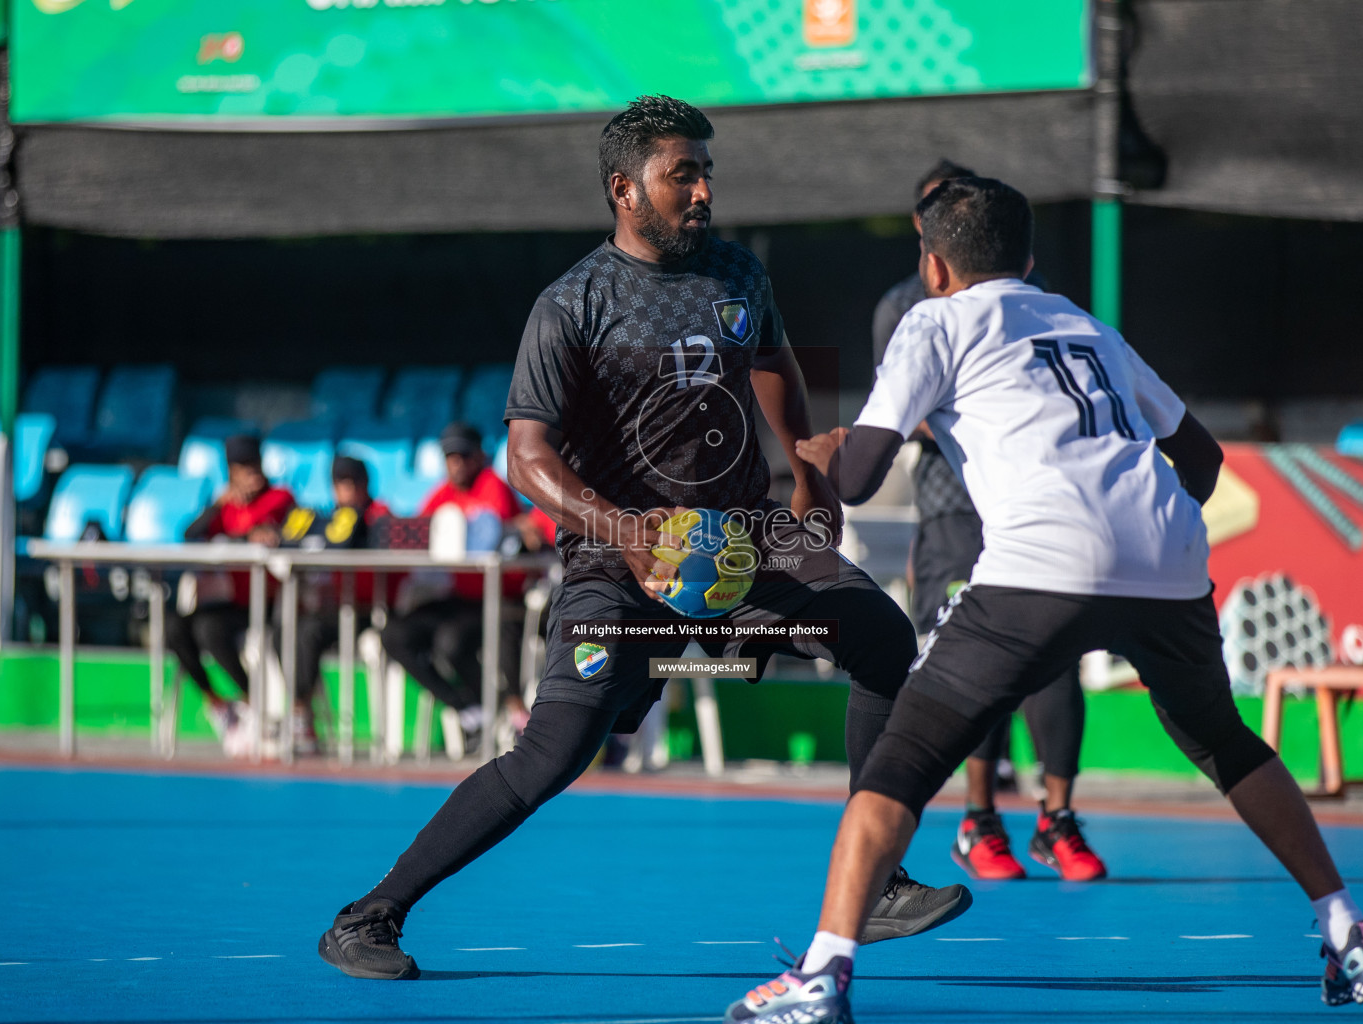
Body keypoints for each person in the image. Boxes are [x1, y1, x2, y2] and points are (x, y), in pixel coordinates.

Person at [728, 177, 1363, 1023]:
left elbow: (862, 479)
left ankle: (822, 977)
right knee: (1224, 742)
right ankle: (1349, 931)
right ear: (1030, 259)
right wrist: (1137, 541)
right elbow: (1200, 462)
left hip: (1043, 559)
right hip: (1166, 552)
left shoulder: (933, 320)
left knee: (900, 758)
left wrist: (827, 450)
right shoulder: (1086, 327)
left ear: (933, 265)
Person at [316, 95, 967, 982]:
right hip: (615, 562)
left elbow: (773, 362)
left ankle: (880, 878)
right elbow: (526, 457)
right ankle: (367, 918)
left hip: (743, 541)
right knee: (554, 754)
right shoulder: (571, 304)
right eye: (682, 175)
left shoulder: (740, 272)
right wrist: (629, 534)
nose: (702, 190)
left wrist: (808, 472)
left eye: (707, 172)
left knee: (888, 642)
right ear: (625, 189)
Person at [877, 160, 1104, 882]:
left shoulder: (1042, 309)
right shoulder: (909, 310)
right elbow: (896, 423)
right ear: (925, 230)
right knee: (973, 665)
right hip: (953, 515)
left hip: (1039, 515)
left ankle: (1057, 818)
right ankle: (978, 820)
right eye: (937, 210)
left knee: (1055, 663)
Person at [380, 422, 532, 743]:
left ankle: (501, 705)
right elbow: (419, 536)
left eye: (463, 455)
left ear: (479, 456)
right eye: (450, 456)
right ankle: (467, 707)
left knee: (450, 642)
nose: (457, 463)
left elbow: (484, 538)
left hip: (498, 599)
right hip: (457, 596)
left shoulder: (493, 486)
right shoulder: (442, 493)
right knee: (395, 635)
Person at [165, 434, 295, 752]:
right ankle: (218, 704)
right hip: (236, 601)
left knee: (209, 629)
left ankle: (256, 702)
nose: (251, 472)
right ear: (231, 471)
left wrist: (245, 535)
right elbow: (190, 534)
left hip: (270, 603)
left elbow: (276, 531)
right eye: (242, 467)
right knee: (175, 627)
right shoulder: (227, 507)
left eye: (254, 464)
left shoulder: (279, 497)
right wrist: (217, 507)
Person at [282, 455, 392, 755]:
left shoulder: (380, 515)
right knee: (287, 628)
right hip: (337, 610)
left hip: (374, 611)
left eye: (352, 483)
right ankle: (301, 712)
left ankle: (299, 711)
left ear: (365, 484)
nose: (347, 491)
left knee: (308, 631)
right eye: (340, 484)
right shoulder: (331, 520)